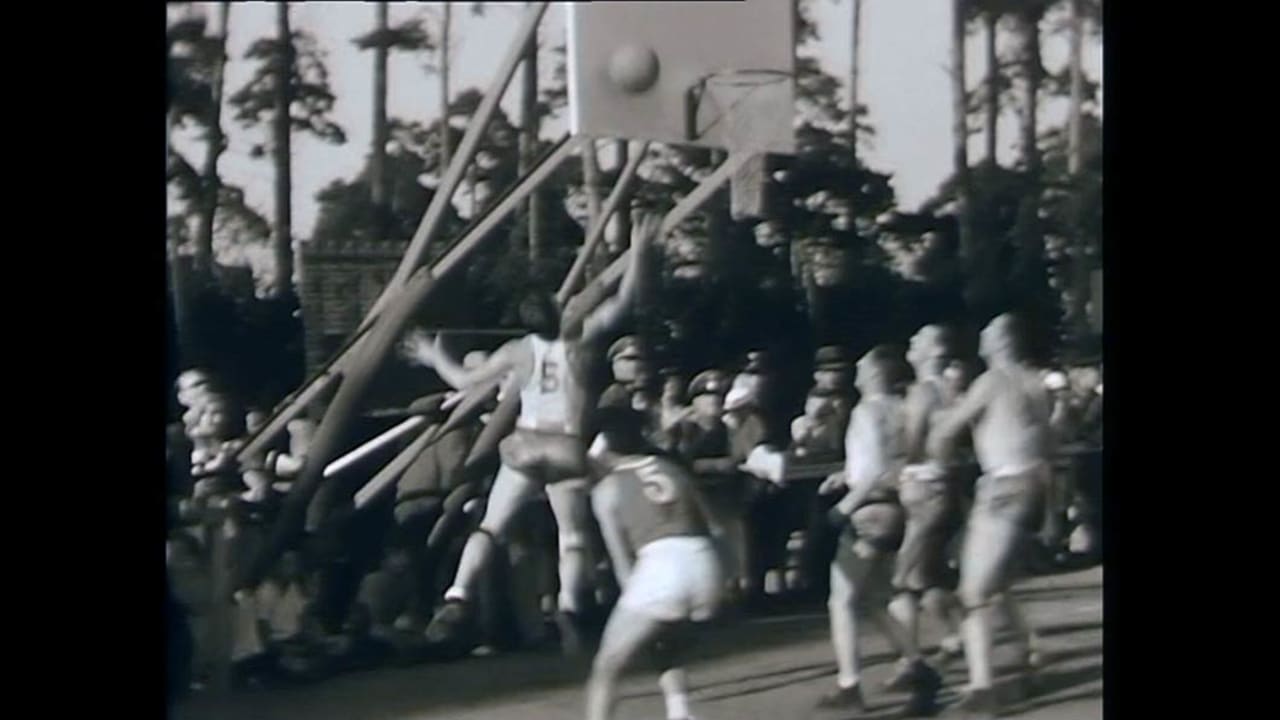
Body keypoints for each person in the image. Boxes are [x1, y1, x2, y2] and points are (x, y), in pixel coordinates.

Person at [402, 212, 662, 655]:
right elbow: (623, 304)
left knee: (490, 526)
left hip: (525, 443)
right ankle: (569, 604)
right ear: (558, 313)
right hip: (566, 445)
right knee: (573, 535)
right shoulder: (581, 345)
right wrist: (638, 255)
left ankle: (457, 594)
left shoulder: (517, 352)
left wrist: (432, 356)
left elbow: (465, 383)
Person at [927, 313, 1052, 717]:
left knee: (974, 593)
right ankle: (1029, 653)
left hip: (1003, 487)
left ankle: (983, 688)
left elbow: (948, 430)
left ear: (1000, 342)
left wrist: (935, 442)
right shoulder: (1036, 383)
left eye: (987, 332)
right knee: (996, 583)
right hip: (1033, 484)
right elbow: (1047, 442)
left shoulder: (992, 381)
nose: (979, 338)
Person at [814, 345, 941, 716]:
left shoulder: (866, 412)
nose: (854, 369)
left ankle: (852, 683)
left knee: (842, 598)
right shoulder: (903, 410)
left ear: (873, 375)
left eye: (861, 365)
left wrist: (842, 508)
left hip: (869, 512)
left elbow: (871, 473)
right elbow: (889, 462)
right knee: (874, 597)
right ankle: (916, 664)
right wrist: (847, 475)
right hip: (899, 507)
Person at [584, 407, 726, 720]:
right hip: (705, 561)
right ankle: (680, 713)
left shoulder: (606, 489)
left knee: (606, 666)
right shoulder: (671, 468)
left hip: (661, 567)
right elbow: (716, 528)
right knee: (664, 641)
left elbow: (624, 566)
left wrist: (630, 597)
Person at [885, 325, 967, 688]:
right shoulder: (951, 390)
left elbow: (912, 442)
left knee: (903, 580)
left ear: (933, 351)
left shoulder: (922, 392)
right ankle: (955, 636)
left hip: (925, 490)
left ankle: (912, 661)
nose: (911, 344)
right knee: (927, 579)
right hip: (941, 487)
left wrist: (895, 463)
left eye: (918, 340)